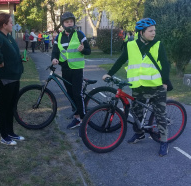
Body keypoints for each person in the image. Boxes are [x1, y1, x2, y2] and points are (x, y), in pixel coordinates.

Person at [102, 18, 170, 157]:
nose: (153, 33)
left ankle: (164, 141)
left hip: (156, 87)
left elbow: (165, 64)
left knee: (160, 115)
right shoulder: (131, 45)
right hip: (138, 87)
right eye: (150, 31)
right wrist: (109, 73)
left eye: (154, 31)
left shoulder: (158, 44)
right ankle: (139, 134)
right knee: (136, 112)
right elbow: (121, 61)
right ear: (141, 32)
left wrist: (165, 82)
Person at [0, 13, 26, 146]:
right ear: (4, 25)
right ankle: (4, 136)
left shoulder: (7, 36)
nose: (12, 25)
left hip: (13, 77)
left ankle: (10, 133)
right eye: (10, 22)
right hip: (3, 79)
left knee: (11, 106)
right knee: (3, 107)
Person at [51, 12, 91, 129]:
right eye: (67, 22)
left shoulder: (79, 34)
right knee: (70, 94)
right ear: (63, 24)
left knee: (77, 94)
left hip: (77, 69)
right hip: (65, 69)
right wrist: (54, 59)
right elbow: (55, 51)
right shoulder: (59, 37)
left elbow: (88, 51)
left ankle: (83, 119)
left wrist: (83, 49)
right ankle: (77, 117)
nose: (70, 24)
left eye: (71, 21)